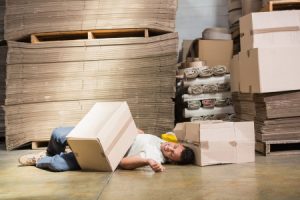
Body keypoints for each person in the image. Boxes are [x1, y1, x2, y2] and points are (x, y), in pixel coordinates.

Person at [18, 127, 195, 173]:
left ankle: (41, 160)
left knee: (58, 165)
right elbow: (140, 136)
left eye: (172, 153)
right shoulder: (160, 141)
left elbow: (123, 163)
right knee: (58, 134)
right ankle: (49, 152)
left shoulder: (155, 155)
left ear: (171, 161)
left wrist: (147, 161)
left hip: (104, 153)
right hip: (106, 135)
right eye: (175, 146)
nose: (169, 148)